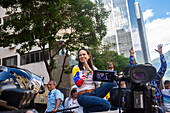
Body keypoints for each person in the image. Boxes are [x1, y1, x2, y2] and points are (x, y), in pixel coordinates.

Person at [72, 48, 117, 113]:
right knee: (106, 105)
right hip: (83, 96)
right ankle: (86, 110)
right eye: (80, 55)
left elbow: (98, 82)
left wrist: (91, 70)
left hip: (94, 93)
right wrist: (85, 72)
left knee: (112, 82)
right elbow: (78, 83)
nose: (82, 56)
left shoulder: (93, 68)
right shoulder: (76, 68)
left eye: (84, 54)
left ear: (88, 56)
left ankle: (112, 103)